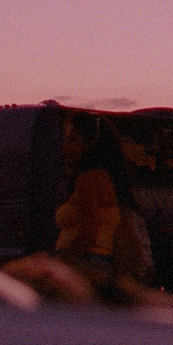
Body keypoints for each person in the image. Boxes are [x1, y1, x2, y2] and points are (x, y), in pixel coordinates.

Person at [54, 112, 125, 289]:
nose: (65, 146)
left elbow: (89, 232)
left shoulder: (88, 179)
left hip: (84, 263)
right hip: (98, 262)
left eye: (72, 140)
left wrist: (60, 265)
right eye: (65, 139)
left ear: (90, 143)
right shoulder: (106, 177)